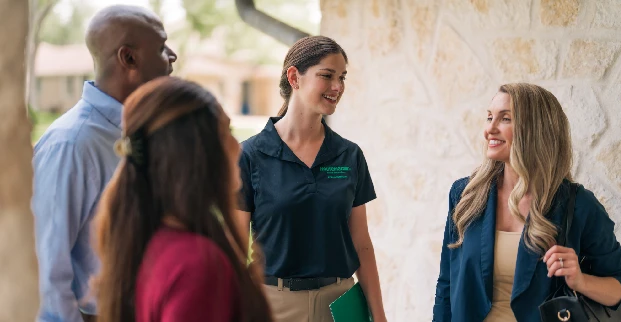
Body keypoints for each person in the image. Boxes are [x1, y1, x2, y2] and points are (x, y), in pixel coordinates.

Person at [31, 5, 176, 321]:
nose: (173, 57)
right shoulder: (72, 145)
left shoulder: (144, 132)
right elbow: (47, 271)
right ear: (129, 59)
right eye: (162, 47)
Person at [433, 83, 621, 321]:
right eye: (489, 117)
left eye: (505, 119)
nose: (489, 129)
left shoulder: (578, 205)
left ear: (534, 129)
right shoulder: (465, 195)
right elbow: (446, 285)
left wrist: (581, 281)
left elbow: (619, 287)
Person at [91, 77, 272, 322]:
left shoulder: (150, 242)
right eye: (226, 133)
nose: (237, 147)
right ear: (197, 153)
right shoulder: (198, 263)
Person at [235, 35, 387, 322]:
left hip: (340, 305)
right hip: (272, 306)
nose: (338, 87)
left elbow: (361, 242)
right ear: (294, 77)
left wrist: (378, 314)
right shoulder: (250, 155)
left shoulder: (349, 155)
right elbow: (235, 246)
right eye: (327, 76)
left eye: (342, 77)